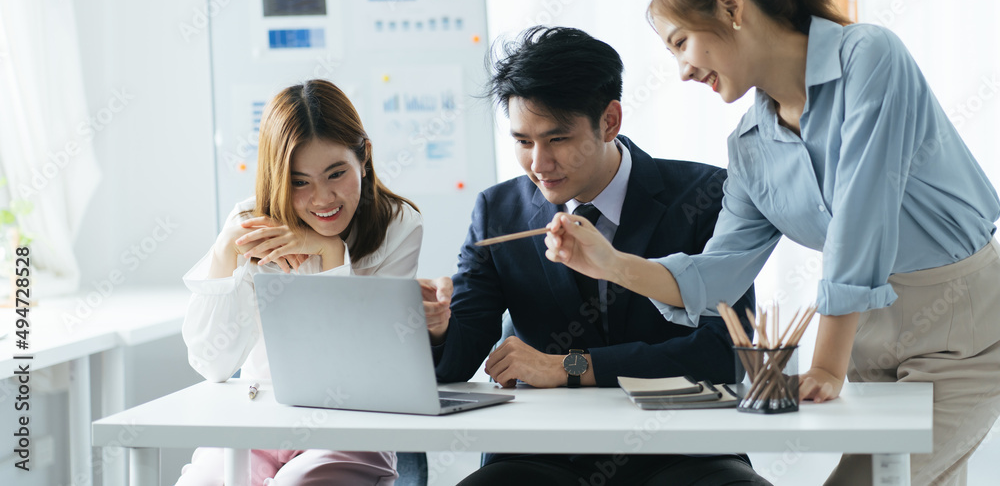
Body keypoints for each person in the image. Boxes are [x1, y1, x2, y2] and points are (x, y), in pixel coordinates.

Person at [544, 0, 1000, 486]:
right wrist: (612, 263)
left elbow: (863, 215)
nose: (683, 72)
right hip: (868, 338)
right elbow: (720, 274)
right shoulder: (750, 145)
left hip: (963, 328)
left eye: (681, 42)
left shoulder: (869, 57)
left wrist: (827, 363)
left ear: (732, 8)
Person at [421, 26, 770, 485]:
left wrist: (569, 367)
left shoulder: (706, 195)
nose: (539, 164)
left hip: (684, 451)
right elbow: (456, 362)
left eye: (557, 139)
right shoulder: (497, 210)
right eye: (523, 142)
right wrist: (439, 325)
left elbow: (724, 352)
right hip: (541, 454)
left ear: (609, 121)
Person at [178, 79, 421, 486]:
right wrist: (225, 253)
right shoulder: (251, 224)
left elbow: (356, 366)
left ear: (364, 157)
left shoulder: (398, 225)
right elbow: (212, 364)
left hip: (350, 425)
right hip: (259, 416)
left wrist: (330, 253)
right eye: (299, 182)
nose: (322, 198)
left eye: (336, 173)